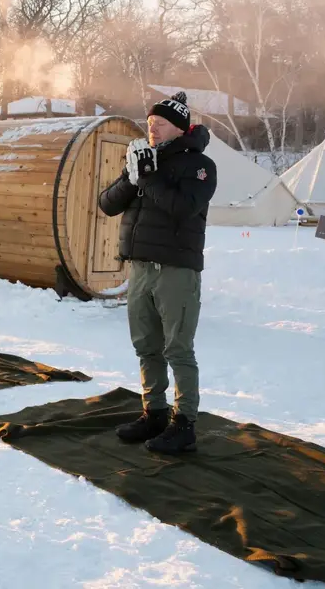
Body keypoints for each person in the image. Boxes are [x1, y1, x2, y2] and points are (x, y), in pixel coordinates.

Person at [98, 91, 217, 455]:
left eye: (159, 123)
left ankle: (185, 424)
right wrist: (132, 177)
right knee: (146, 346)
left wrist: (148, 178)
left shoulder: (200, 166)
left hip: (176, 270)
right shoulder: (143, 161)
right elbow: (107, 204)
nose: (152, 128)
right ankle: (155, 413)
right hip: (141, 268)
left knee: (177, 349)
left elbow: (183, 208)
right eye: (149, 123)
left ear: (179, 128)